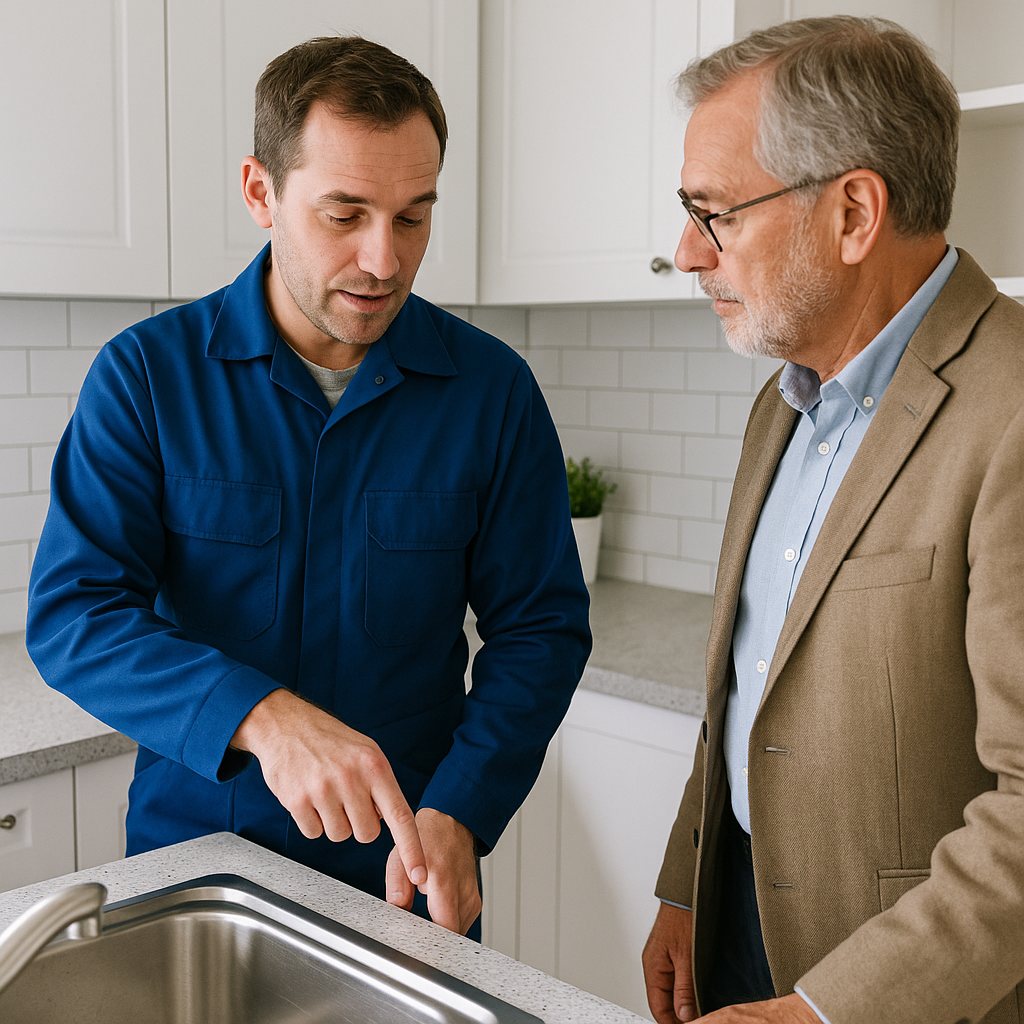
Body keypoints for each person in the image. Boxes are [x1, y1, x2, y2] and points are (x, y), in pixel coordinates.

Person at [26, 35, 591, 939]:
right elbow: (75, 616)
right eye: (345, 213)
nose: (383, 259)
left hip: (405, 877)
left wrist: (466, 809)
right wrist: (261, 717)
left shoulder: (493, 393)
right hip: (196, 866)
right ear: (261, 193)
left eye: (414, 216)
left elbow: (542, 629)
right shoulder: (146, 377)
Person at [641, 15, 1024, 1024]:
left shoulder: (1014, 409)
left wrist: (824, 1010)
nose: (685, 252)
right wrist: (687, 883)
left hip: (893, 990)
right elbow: (744, 680)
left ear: (854, 212)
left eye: (712, 211)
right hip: (735, 923)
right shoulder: (784, 400)